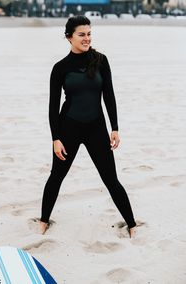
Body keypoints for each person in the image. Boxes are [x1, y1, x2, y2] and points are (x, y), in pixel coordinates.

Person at [39, 15, 137, 238]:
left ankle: (131, 224)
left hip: (96, 128)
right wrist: (56, 138)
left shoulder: (101, 60)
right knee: (56, 176)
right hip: (68, 129)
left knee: (111, 179)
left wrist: (115, 127)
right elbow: (53, 107)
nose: (86, 38)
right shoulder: (60, 68)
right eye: (81, 35)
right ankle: (43, 221)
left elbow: (109, 95)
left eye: (89, 34)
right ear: (69, 37)